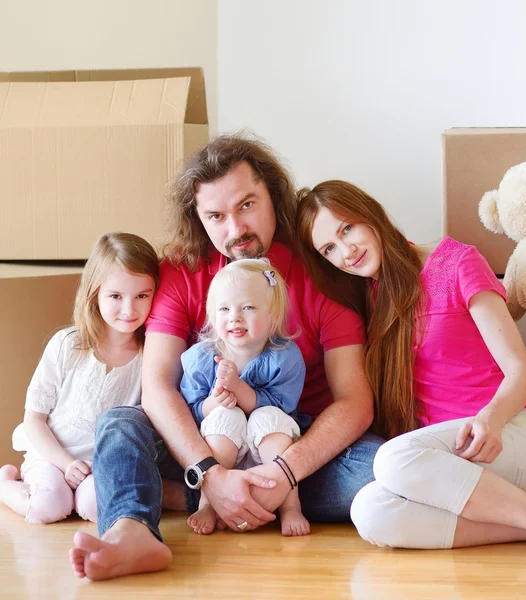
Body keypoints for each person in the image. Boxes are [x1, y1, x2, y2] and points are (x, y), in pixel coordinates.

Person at [69, 135, 380, 581]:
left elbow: (354, 402)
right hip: (201, 440)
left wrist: (284, 474)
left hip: (291, 441)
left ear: (274, 197)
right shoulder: (180, 271)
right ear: (199, 218)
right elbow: (157, 387)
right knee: (119, 424)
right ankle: (134, 531)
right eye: (216, 216)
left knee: (378, 467)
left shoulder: (322, 270)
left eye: (247, 205)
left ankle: (191, 497)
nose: (235, 229)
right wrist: (211, 473)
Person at [297, 180, 526, 570]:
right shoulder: (369, 301)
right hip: (454, 467)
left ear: (369, 215)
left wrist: (489, 420)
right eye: (329, 249)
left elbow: (521, 372)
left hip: (514, 434)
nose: (346, 251)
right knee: (369, 511)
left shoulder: (456, 262)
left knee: (389, 460)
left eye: (346, 229)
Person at [0, 232, 159, 525]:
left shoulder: (149, 354)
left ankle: (70, 494)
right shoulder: (67, 344)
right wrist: (66, 463)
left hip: (101, 466)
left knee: (100, 509)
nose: (129, 309)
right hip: (51, 456)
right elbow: (34, 419)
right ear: (95, 294)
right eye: (115, 296)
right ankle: (6, 484)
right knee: (48, 507)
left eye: (142, 296)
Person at [181, 258, 310, 537]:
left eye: (248, 307)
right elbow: (192, 410)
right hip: (223, 455)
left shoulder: (284, 356)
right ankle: (209, 502)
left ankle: (290, 505)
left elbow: (283, 406)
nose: (235, 317)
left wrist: (238, 388)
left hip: (270, 454)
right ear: (213, 316)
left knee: (269, 418)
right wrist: (216, 400)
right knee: (224, 416)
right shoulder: (201, 358)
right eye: (224, 309)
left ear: (273, 315)